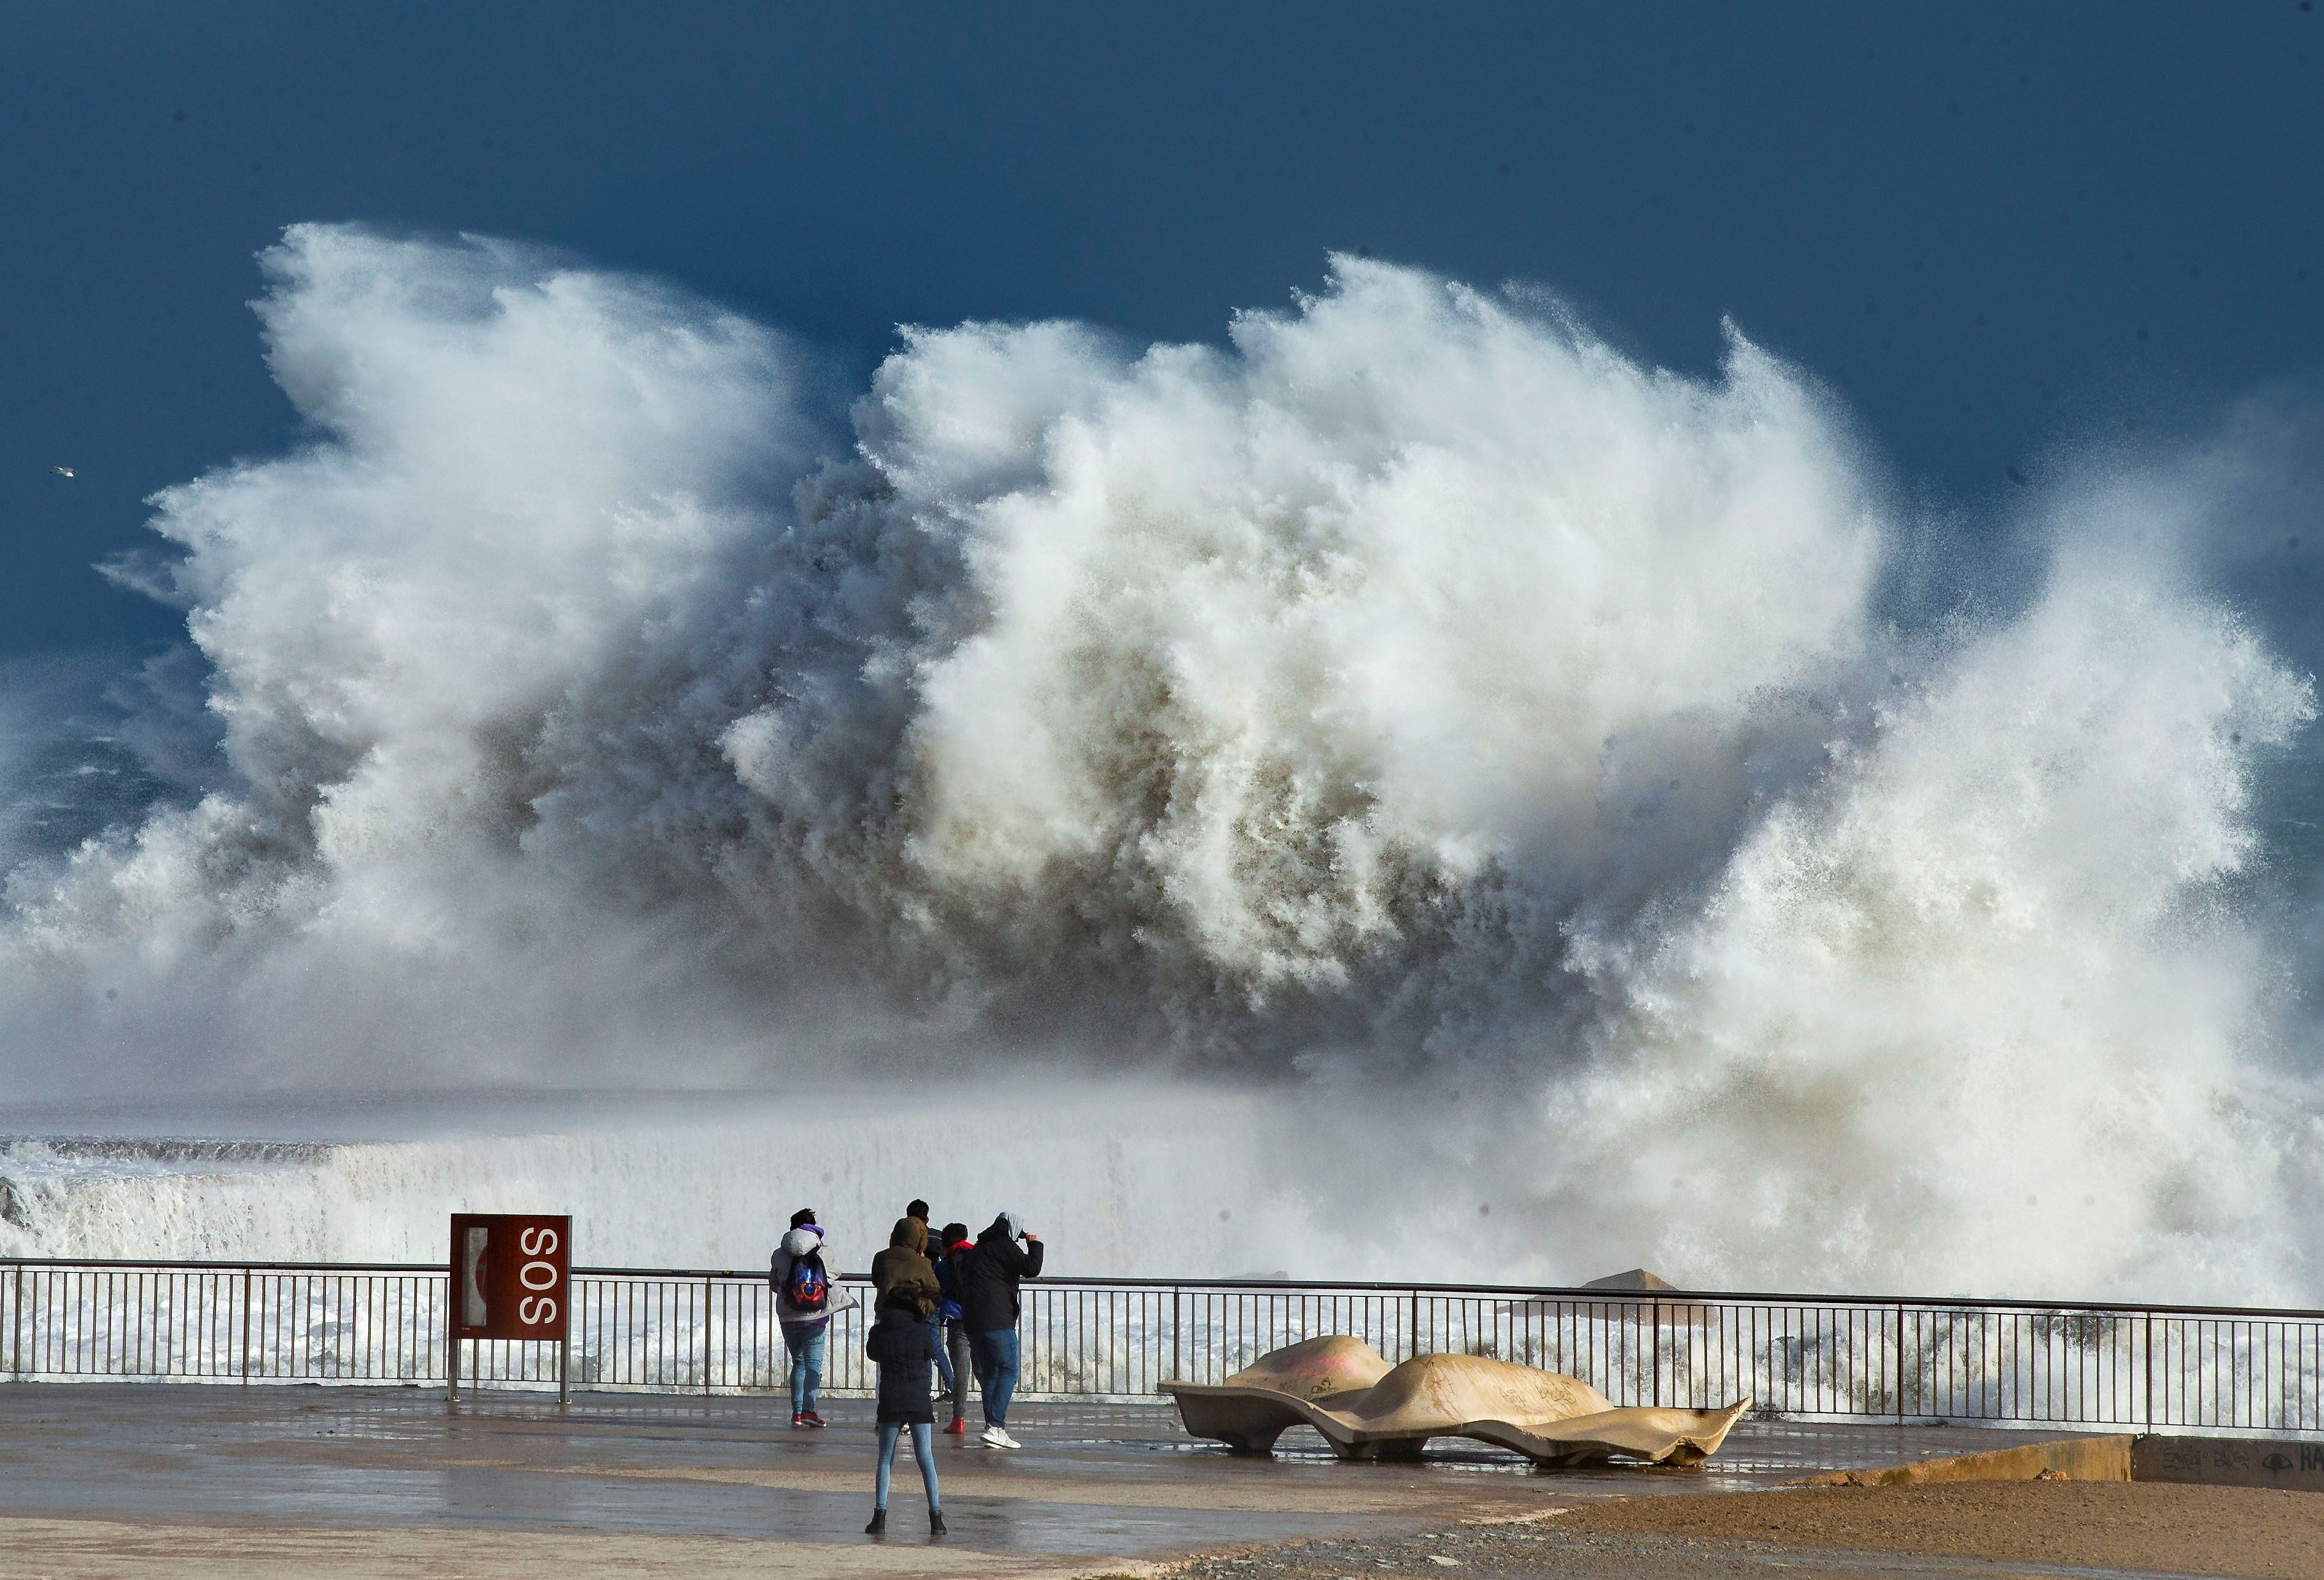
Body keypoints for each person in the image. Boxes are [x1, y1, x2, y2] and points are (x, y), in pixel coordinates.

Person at [956, 1209, 1042, 1449]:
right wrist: (1035, 1245)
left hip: (973, 1323)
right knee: (1008, 1369)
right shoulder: (1004, 1245)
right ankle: (996, 1426)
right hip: (997, 1321)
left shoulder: (979, 1249)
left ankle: (992, 1429)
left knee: (992, 1373)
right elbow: (1032, 1268)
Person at [862, 1288, 945, 1538]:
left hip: (891, 1400)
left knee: (886, 1459)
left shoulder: (879, 1332)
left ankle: (879, 1518)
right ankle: (936, 1519)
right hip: (919, 1400)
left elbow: (872, 1354)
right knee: (926, 1459)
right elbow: (930, 1353)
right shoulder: (922, 1330)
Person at [770, 1208, 856, 1428]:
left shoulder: (779, 1254)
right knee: (813, 1367)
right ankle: (809, 1411)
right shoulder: (823, 1251)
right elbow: (836, 1273)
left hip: (788, 1317)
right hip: (815, 1317)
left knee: (798, 1363)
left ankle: (797, 1413)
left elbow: (774, 1285)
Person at [933, 1222, 974, 1435]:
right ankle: (994, 1421)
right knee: (986, 1372)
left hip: (957, 1321)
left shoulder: (941, 1267)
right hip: (981, 1320)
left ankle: (959, 1420)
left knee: (961, 1373)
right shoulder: (979, 1260)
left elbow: (936, 1291)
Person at [869, 1215, 942, 1319]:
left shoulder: (881, 1257)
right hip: (914, 1313)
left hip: (885, 1312)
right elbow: (934, 1288)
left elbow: (876, 1281)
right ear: (916, 1238)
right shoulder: (922, 1262)